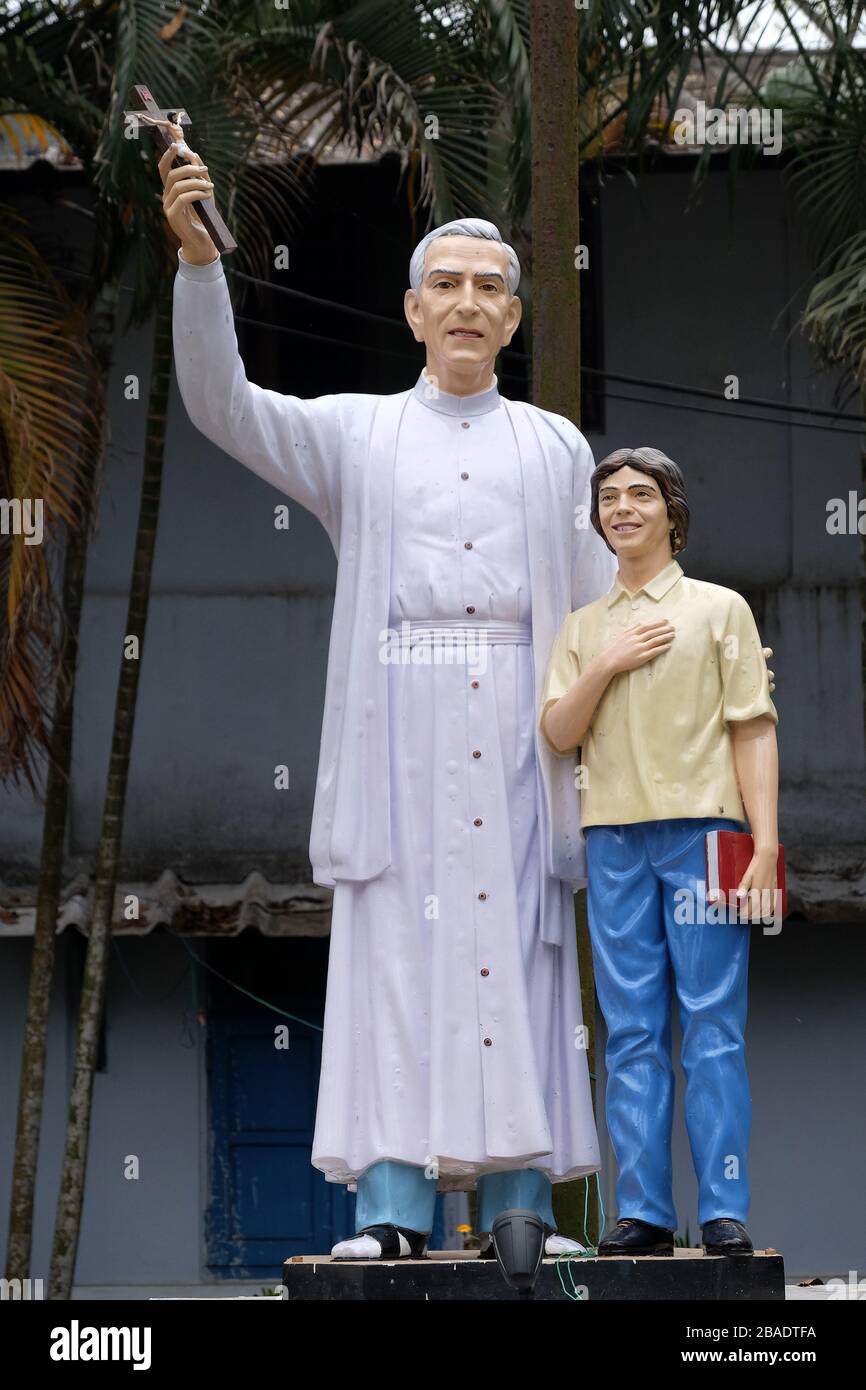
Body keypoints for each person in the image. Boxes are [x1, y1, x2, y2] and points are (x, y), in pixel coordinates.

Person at [159, 134, 619, 1259]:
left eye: (488, 289)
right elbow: (224, 402)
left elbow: (608, 604)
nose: (467, 305)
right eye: (446, 288)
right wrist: (199, 264)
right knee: (396, 956)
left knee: (518, 949)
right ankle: (393, 1210)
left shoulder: (558, 448)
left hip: (523, 718)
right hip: (395, 722)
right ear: (412, 312)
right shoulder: (354, 433)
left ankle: (520, 1197)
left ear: (512, 319)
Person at [539, 447, 780, 1258]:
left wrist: (764, 842)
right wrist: (606, 660)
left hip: (708, 833)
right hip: (613, 838)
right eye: (609, 497)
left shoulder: (720, 610)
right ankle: (641, 1208)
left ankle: (724, 1209)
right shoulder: (580, 629)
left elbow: (753, 725)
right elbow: (558, 731)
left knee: (714, 1022)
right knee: (630, 1028)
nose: (623, 509)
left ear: (673, 511)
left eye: (641, 494)